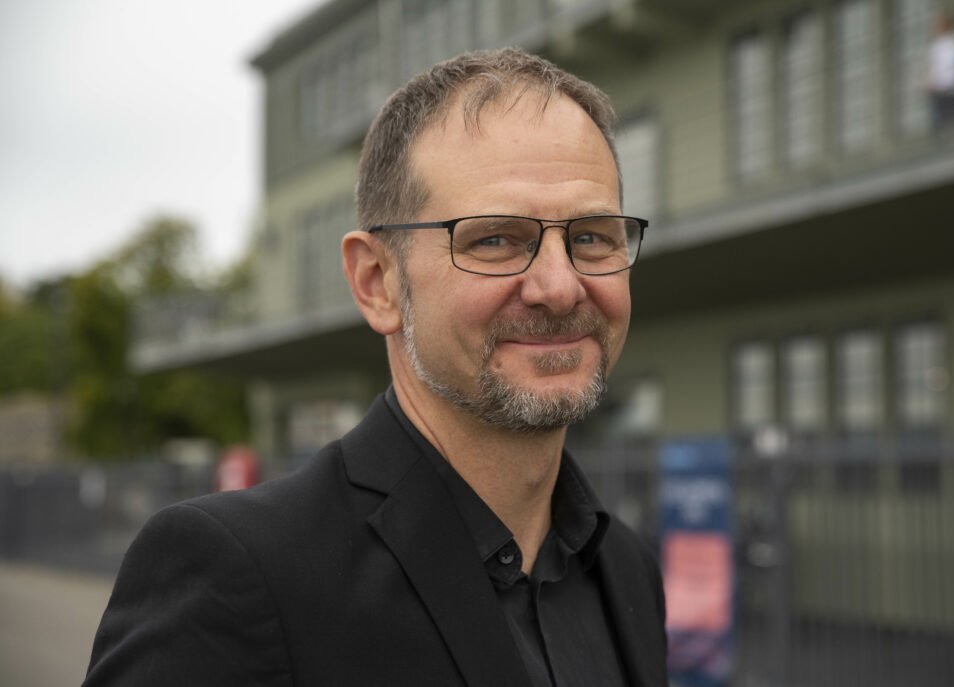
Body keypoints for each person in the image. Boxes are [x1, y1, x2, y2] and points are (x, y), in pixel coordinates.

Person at [84, 47, 668, 686]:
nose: (559, 287)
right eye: (496, 239)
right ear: (377, 282)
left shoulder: (627, 572)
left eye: (592, 236)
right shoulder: (238, 573)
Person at [926, 10, 954, 139]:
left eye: (940, 24)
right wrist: (929, 81)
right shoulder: (934, 46)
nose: (937, 27)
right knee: (940, 119)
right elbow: (933, 67)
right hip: (940, 87)